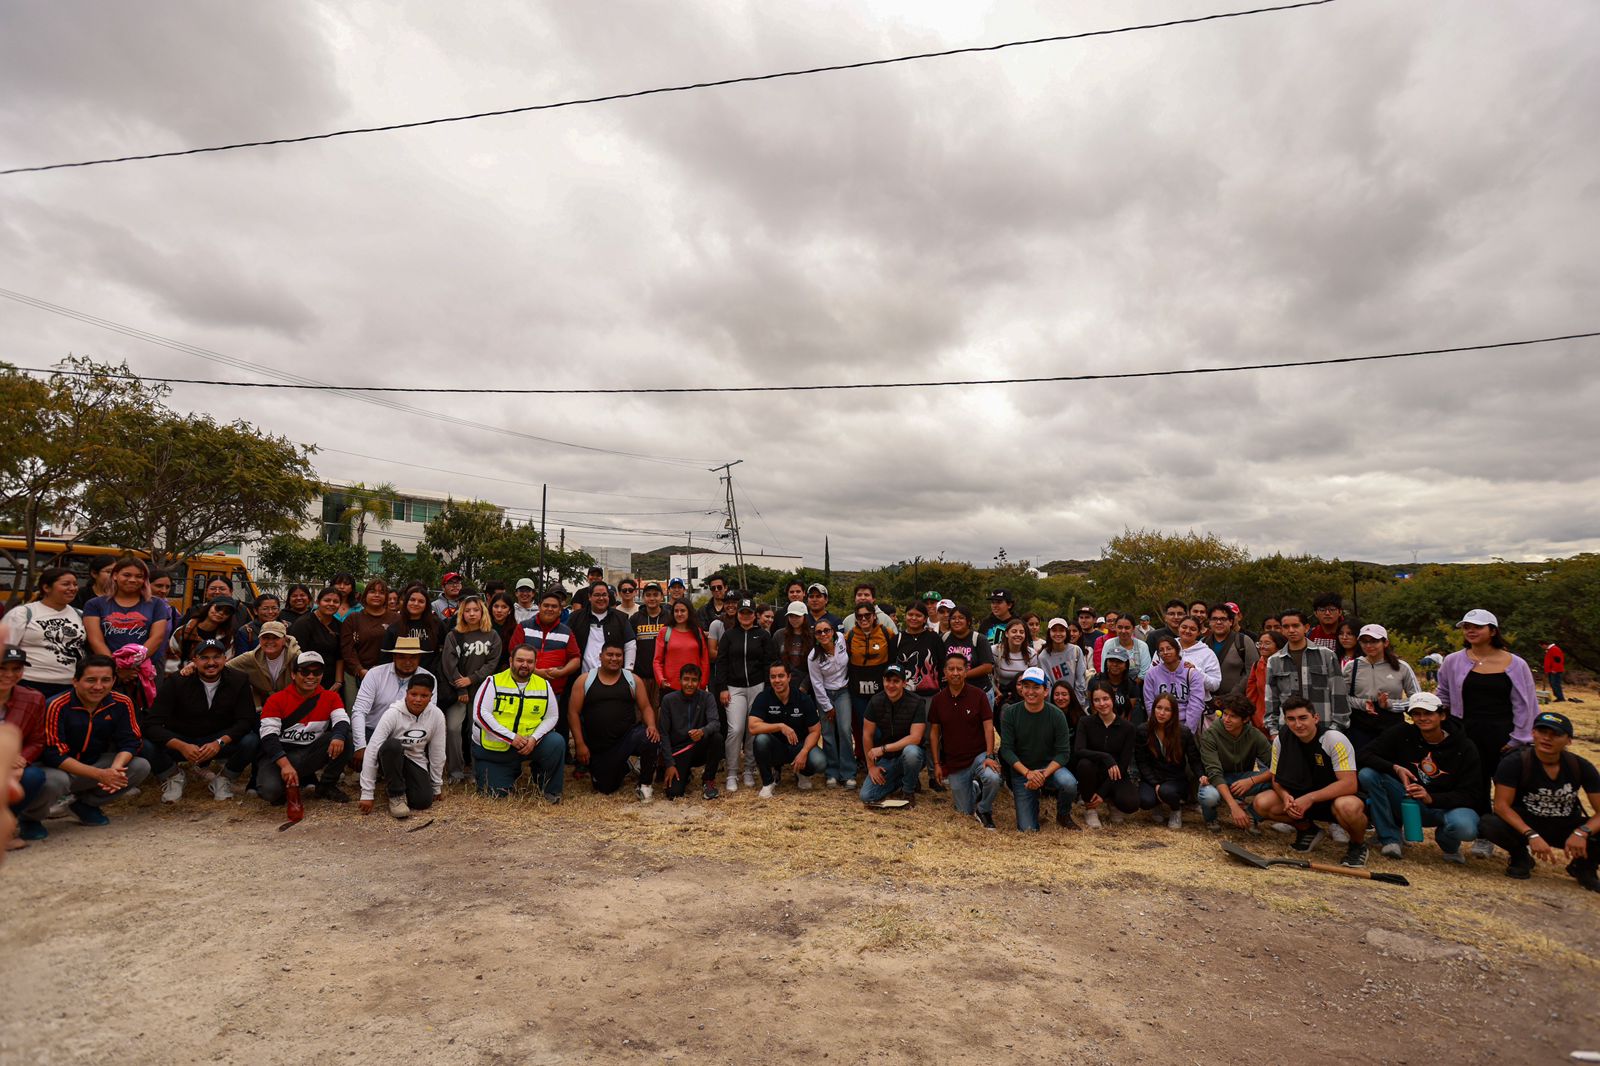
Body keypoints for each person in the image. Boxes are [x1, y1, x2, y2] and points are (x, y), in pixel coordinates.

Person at [1436, 608, 1539, 858]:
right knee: (1475, 784)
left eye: (1478, 626)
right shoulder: (1453, 660)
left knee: (1509, 787)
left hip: (1505, 733)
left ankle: (1517, 840)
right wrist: (1445, 726)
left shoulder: (1516, 663)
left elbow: (1526, 703)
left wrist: (1519, 738)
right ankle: (1483, 835)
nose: (1471, 630)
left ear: (1493, 631)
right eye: (1467, 626)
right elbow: (1443, 694)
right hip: (1466, 732)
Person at [1478, 711, 1599, 890]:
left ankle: (1584, 867)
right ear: (1533, 733)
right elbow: (1502, 806)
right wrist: (1531, 834)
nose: (1547, 738)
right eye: (1542, 732)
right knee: (1489, 823)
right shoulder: (1515, 762)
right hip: (1527, 822)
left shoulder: (1580, 766)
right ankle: (1520, 856)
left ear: (1569, 740)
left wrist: (1582, 832)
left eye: (1555, 734)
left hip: (1565, 823)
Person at [1356, 691, 1481, 862]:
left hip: (1446, 806)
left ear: (1442, 715)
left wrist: (1431, 798)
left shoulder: (1465, 746)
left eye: (1428, 713)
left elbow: (1471, 794)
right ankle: (1390, 838)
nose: (1422, 718)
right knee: (1368, 775)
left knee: (1465, 827)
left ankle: (1448, 843)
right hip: (1408, 800)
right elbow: (1364, 754)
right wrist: (1395, 768)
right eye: (1416, 713)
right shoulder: (1402, 733)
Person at [1252, 696, 1369, 868]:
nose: (1297, 724)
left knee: (1348, 807)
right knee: (1262, 802)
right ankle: (1307, 830)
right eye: (1291, 719)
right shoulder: (1281, 740)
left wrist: (1310, 798)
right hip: (1300, 797)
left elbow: (1349, 784)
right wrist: (1285, 798)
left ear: (1315, 718)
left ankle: (1358, 845)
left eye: (1303, 718)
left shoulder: (1333, 739)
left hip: (1334, 798)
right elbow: (1276, 778)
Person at [35, 655, 152, 826]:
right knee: (54, 781)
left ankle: (84, 805)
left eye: (105, 680)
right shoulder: (56, 705)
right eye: (91, 680)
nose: (98, 686)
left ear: (114, 681)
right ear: (75, 681)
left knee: (140, 766)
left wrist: (115, 769)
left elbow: (131, 741)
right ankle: (30, 819)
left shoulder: (122, 702)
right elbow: (53, 754)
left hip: (94, 763)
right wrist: (100, 775)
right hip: (59, 769)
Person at [143, 638, 258, 801]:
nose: (211, 663)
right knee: (145, 743)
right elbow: (151, 724)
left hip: (216, 740)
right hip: (182, 739)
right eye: (204, 658)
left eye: (217, 657)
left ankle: (224, 778)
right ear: (194, 661)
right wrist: (181, 746)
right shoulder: (177, 681)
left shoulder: (239, 680)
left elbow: (246, 720)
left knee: (251, 740)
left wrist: (219, 742)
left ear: (225, 659)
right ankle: (173, 775)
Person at [470, 643, 564, 801]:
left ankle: (550, 789)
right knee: (496, 795)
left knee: (556, 742)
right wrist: (510, 737)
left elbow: (552, 717)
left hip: (528, 745)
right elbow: (480, 714)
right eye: (520, 660)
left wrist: (534, 739)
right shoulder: (493, 682)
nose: (525, 665)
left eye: (530, 661)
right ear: (511, 660)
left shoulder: (544, 685)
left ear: (535, 664)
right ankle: (509, 771)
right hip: (495, 749)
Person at [255, 651, 352, 805]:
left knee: (345, 737)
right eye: (305, 672)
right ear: (293, 675)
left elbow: (342, 720)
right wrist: (285, 766)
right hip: (281, 755)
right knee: (271, 793)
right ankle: (294, 780)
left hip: (310, 753)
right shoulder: (276, 700)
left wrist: (338, 737)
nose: (311, 677)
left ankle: (326, 785)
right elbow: (268, 737)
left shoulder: (330, 697)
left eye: (317, 672)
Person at [570, 642, 660, 799]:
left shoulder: (632, 679)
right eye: (609, 655)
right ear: (601, 656)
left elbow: (645, 707)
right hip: (599, 745)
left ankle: (645, 785)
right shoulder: (585, 680)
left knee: (650, 738)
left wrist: (652, 725)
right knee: (604, 788)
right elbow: (573, 713)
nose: (614, 658)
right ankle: (622, 766)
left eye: (618, 655)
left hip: (627, 738)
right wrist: (579, 743)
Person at [927, 653, 1001, 829]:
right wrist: (937, 764)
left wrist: (990, 755)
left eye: (959, 669)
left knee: (993, 778)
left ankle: (984, 809)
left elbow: (988, 727)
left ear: (966, 671)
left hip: (979, 755)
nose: (955, 673)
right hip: (955, 761)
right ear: (944, 672)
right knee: (964, 811)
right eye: (951, 669)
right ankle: (975, 788)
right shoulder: (938, 700)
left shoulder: (978, 695)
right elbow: (934, 733)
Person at [999, 667, 1078, 832]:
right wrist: (1028, 774)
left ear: (1045, 690)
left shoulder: (1057, 715)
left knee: (1069, 783)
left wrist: (1042, 775)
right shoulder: (1010, 713)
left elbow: (1064, 753)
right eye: (1026, 686)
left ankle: (1063, 814)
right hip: (1023, 772)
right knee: (1027, 829)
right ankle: (1032, 804)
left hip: (1050, 768)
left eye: (1036, 687)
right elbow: (1006, 750)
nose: (1030, 691)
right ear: (1020, 689)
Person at [359, 673, 446, 819]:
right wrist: (367, 793)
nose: (418, 700)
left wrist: (436, 786)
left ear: (431, 697)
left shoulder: (436, 715)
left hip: (414, 760)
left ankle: (403, 785)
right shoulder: (392, 714)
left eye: (424, 696)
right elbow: (373, 749)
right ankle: (396, 795)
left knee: (423, 802)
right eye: (414, 694)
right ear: (406, 693)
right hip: (390, 758)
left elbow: (437, 751)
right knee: (393, 745)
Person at [1, 648, 64, 846]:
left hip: (13, 764)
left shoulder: (33, 698)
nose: (9, 675)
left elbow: (38, 740)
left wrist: (22, 761)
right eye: (2, 668)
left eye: (16, 668)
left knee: (33, 776)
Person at [439, 595, 502, 784]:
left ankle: (477, 771)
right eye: (467, 610)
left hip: (482, 691)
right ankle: (455, 771)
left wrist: (472, 679)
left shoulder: (492, 635)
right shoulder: (454, 635)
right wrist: (461, 688)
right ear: (462, 613)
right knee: (453, 728)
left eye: (476, 610)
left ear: (482, 611)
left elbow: (493, 663)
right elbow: (448, 664)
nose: (472, 613)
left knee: (477, 729)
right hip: (458, 692)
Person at [711, 597, 772, 793]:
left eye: (749, 613)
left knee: (752, 729)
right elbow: (721, 663)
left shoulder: (762, 635)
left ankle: (748, 769)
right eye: (742, 613)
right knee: (735, 729)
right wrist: (722, 688)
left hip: (757, 686)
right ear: (737, 615)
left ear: (755, 615)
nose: (746, 616)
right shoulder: (729, 635)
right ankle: (731, 772)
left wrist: (766, 688)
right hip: (733, 688)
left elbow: (768, 662)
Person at [1, 566, 86, 703]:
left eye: (75, 584)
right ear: (46, 588)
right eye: (66, 584)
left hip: (69, 686)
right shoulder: (23, 613)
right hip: (29, 684)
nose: (73, 588)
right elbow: (4, 648)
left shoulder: (80, 615)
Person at [349, 635, 437, 762]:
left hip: (406, 735)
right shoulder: (375, 674)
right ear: (394, 657)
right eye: (402, 657)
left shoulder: (429, 678)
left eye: (413, 657)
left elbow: (428, 716)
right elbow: (359, 711)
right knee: (348, 740)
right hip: (372, 731)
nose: (407, 662)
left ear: (419, 658)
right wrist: (360, 746)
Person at [509, 589, 583, 736]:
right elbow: (513, 654)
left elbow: (575, 659)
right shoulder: (524, 627)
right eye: (546, 605)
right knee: (524, 726)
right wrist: (536, 672)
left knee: (550, 729)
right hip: (523, 690)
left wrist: (562, 672)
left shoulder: (566, 632)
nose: (549, 609)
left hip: (554, 692)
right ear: (539, 606)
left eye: (554, 606)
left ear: (560, 610)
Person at [1263, 608, 1348, 735]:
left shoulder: (1327, 655)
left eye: (1296, 625)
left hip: (1323, 728)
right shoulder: (1274, 661)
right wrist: (1273, 731)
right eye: (1286, 626)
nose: (1291, 630)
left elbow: (1339, 694)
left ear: (1306, 627)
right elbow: (1271, 699)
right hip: (1288, 730)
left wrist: (1336, 728)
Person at [747, 662, 825, 798]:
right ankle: (768, 783)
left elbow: (815, 731)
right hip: (776, 747)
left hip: (798, 747)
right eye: (773, 677)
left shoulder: (803, 699)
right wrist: (780, 726)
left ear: (789, 677)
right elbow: (753, 726)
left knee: (820, 762)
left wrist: (804, 752)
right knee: (760, 739)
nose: (777, 680)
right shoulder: (764, 696)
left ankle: (802, 773)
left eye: (781, 676)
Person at [1197, 694, 1272, 832]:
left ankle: (1251, 815)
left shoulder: (1255, 735)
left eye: (1233, 716)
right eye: (1225, 714)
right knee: (1209, 796)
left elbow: (1276, 767)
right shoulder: (1211, 734)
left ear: (1246, 719)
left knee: (1276, 780)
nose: (1226, 719)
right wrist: (1234, 807)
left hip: (1243, 778)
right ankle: (1211, 818)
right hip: (1217, 779)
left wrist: (1251, 781)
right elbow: (1214, 773)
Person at [1073, 680, 1140, 829]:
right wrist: (1106, 757)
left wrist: (1102, 794)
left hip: (1115, 775)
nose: (1102, 704)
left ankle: (1111, 802)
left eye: (1105, 699)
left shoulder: (1127, 727)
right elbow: (1079, 750)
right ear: (1092, 703)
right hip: (1093, 772)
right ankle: (1090, 809)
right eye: (1096, 700)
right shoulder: (1085, 722)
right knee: (1084, 764)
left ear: (1112, 699)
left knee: (1131, 804)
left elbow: (1123, 764)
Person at [1343, 624, 1420, 752]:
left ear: (1385, 643)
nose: (1368, 645)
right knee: (1363, 763)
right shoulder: (1352, 667)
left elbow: (1417, 699)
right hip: (1361, 726)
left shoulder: (1402, 667)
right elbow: (1342, 697)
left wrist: (1389, 704)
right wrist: (1363, 704)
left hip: (1392, 725)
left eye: (1374, 641)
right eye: (1364, 641)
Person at [859, 665, 926, 805]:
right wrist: (871, 767)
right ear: (883, 681)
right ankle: (903, 780)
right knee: (867, 796)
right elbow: (867, 734)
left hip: (910, 754)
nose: (891, 685)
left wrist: (883, 749)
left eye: (896, 681)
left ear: (904, 683)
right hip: (888, 759)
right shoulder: (876, 701)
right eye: (887, 681)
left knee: (911, 752)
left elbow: (916, 738)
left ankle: (908, 791)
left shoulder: (917, 702)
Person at [83, 556, 169, 662]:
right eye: (127, 575)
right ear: (115, 575)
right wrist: (116, 666)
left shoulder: (156, 604)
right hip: (106, 668)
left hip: (147, 667)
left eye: (139, 576)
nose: (133, 580)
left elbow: (157, 638)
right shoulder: (94, 604)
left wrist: (132, 663)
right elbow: (96, 641)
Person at [1136, 692, 1201, 829]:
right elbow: (1142, 762)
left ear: (1174, 713)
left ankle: (1176, 809)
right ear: (1153, 709)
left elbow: (1194, 759)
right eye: (1159, 708)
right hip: (1152, 777)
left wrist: (1202, 776)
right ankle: (1156, 805)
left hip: (1175, 779)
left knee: (1166, 792)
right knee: (1144, 800)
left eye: (1167, 709)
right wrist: (1155, 784)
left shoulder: (1183, 732)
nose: (1162, 713)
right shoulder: (1143, 730)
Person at [657, 663, 721, 800]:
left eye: (694, 680)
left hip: (698, 747)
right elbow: (664, 733)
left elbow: (715, 723)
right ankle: (685, 774)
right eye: (686, 679)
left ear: (699, 682)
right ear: (679, 680)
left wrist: (702, 731)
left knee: (717, 738)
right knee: (673, 793)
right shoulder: (668, 700)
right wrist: (669, 764)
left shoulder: (707, 697)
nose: (690, 684)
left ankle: (708, 780)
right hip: (679, 751)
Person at [808, 618, 855, 788]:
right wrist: (827, 707)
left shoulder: (842, 639)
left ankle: (848, 772)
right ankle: (832, 772)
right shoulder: (813, 657)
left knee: (844, 729)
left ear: (833, 631)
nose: (823, 634)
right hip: (825, 694)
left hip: (843, 691)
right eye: (819, 632)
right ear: (815, 635)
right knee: (827, 733)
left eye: (826, 630)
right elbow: (817, 684)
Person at [340, 579, 394, 709]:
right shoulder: (353, 618)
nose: (376, 595)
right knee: (356, 714)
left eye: (381, 592)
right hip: (356, 675)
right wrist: (360, 670)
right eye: (372, 591)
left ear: (386, 597)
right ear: (365, 595)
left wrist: (380, 670)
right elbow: (347, 648)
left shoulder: (396, 619)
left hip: (387, 675)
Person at [224, 620, 298, 709]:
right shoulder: (251, 657)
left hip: (293, 705)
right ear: (259, 640)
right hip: (264, 708)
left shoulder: (296, 657)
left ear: (284, 640)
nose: (270, 641)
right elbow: (225, 668)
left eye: (275, 638)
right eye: (265, 638)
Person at [568, 582, 637, 676]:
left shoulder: (621, 618)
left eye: (604, 595)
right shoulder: (575, 618)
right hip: (581, 676)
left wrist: (628, 670)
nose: (601, 598)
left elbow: (630, 645)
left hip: (614, 677)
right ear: (589, 596)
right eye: (597, 595)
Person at [1144, 635, 1206, 735]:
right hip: (1159, 724)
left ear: (1177, 650)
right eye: (1161, 650)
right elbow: (1149, 702)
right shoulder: (1151, 674)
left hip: (1184, 724)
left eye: (1169, 648)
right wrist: (1157, 726)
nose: (1165, 652)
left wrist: (1187, 731)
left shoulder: (1192, 674)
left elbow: (1196, 705)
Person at [652, 598, 710, 703]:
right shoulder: (665, 632)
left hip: (694, 686)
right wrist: (661, 680)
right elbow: (657, 660)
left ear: (689, 612)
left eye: (683, 611)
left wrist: (702, 683)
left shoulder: (697, 631)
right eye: (676, 611)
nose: (679, 614)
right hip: (670, 688)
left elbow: (704, 659)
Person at [287, 587, 343, 691]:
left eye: (335, 601)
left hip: (330, 679)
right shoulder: (303, 623)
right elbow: (295, 655)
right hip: (306, 678)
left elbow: (339, 656)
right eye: (327, 600)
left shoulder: (339, 626)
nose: (331, 604)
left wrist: (338, 682)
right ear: (318, 602)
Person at [384, 583, 444, 676]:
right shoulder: (395, 627)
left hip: (429, 677)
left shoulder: (436, 624)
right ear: (406, 602)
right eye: (412, 600)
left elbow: (445, 649)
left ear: (426, 605)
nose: (416, 604)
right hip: (400, 676)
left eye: (421, 601)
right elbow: (386, 657)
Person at [889, 601, 944, 698]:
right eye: (910, 614)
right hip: (903, 696)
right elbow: (891, 666)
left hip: (931, 695)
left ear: (925, 619)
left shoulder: (934, 638)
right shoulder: (897, 639)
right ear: (905, 616)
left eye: (918, 615)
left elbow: (942, 664)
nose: (913, 618)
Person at [1205, 606, 1258, 704]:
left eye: (1223, 619)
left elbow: (1252, 671)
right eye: (1214, 619)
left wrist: (1233, 695)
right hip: (1207, 702)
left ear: (1231, 622)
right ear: (1209, 622)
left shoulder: (1244, 641)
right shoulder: (1203, 643)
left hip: (1237, 702)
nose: (1219, 622)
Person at [630, 582, 670, 705]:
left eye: (655, 595)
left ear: (662, 597)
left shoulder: (669, 618)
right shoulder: (635, 618)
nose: (652, 598)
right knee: (642, 711)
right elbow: (629, 646)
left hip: (664, 676)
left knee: (660, 710)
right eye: (648, 595)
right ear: (643, 598)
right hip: (641, 675)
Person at [1036, 618, 1089, 709]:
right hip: (1054, 704)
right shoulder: (1043, 657)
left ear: (1066, 632)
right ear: (1049, 633)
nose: (1058, 634)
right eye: (1054, 630)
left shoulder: (1076, 650)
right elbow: (1047, 684)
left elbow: (1080, 679)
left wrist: (1079, 702)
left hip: (1075, 702)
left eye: (1061, 630)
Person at [942, 606, 995, 694]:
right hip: (951, 691)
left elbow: (988, 667)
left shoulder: (979, 639)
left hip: (979, 691)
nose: (957, 621)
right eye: (953, 618)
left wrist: (962, 674)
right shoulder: (944, 638)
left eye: (961, 618)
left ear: (968, 621)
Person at [991, 618, 1036, 708]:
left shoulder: (1031, 654)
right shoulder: (996, 651)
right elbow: (988, 676)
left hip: (1023, 696)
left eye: (1021, 632)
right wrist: (996, 691)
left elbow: (1033, 678)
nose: (1018, 635)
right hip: (1001, 694)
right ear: (1007, 634)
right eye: (1014, 631)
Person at [1244, 629, 1281, 734]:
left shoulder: (1285, 664)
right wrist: (1253, 715)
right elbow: (1251, 693)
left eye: (1267, 643)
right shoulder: (1256, 665)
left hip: (1282, 719)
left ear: (1278, 645)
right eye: (1260, 643)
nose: (1262, 646)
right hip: (1259, 720)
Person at [1175, 617, 1222, 699]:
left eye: (1193, 629)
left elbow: (1215, 685)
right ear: (1178, 628)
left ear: (1198, 632)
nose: (1187, 631)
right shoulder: (1166, 647)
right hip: (1167, 705)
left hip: (1197, 704)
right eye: (1184, 627)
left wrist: (1196, 671)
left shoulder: (1207, 654)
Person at [775, 601, 815, 692]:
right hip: (783, 684)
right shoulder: (779, 635)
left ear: (804, 617)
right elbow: (774, 660)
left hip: (807, 687)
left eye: (797, 616)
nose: (794, 619)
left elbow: (815, 665)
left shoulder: (813, 636)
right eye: (791, 616)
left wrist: (805, 685)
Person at [1098, 646, 1144, 722]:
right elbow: (1094, 709)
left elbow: (1128, 714)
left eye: (1119, 661)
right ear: (1106, 662)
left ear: (1126, 665)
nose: (1115, 664)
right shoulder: (1096, 681)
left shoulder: (1132, 686)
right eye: (1111, 661)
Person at [1100, 615, 1151, 682]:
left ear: (1133, 629)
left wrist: (1130, 688)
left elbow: (1144, 672)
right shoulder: (1109, 644)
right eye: (1120, 627)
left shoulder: (1142, 646)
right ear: (1115, 628)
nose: (1123, 631)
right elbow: (1104, 669)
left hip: (1137, 686)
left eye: (1127, 628)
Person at [488, 593, 519, 671]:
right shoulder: (483, 627)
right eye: (496, 606)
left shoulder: (516, 629)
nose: (499, 610)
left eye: (504, 607)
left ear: (510, 610)